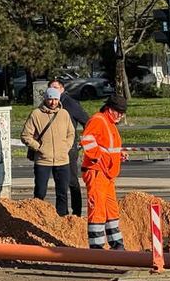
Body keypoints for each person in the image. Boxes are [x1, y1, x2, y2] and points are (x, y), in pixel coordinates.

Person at [81, 95, 128, 250]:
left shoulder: (110, 123)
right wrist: (100, 157)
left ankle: (116, 244)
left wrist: (118, 155)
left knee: (111, 209)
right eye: (118, 112)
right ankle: (97, 247)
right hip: (97, 172)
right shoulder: (98, 120)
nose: (121, 116)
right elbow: (87, 141)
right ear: (109, 109)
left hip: (107, 174)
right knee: (98, 209)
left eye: (122, 113)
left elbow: (109, 147)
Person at [21, 87, 76, 216]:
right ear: (45, 99)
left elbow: (71, 133)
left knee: (62, 192)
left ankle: (62, 217)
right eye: (50, 99)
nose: (53, 102)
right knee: (40, 191)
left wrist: (66, 147)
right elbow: (25, 135)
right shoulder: (36, 114)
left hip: (62, 160)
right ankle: (37, 216)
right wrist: (39, 148)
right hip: (43, 160)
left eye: (56, 99)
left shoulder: (64, 114)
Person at [49, 79, 89, 217]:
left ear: (62, 89)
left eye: (55, 87)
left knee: (72, 181)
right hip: (54, 149)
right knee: (60, 181)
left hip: (69, 149)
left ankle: (76, 213)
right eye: (50, 88)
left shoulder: (70, 103)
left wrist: (87, 141)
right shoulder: (49, 104)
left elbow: (87, 121)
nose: (52, 90)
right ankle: (62, 213)